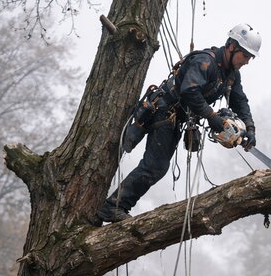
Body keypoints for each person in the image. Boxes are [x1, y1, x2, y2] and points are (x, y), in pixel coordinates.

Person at [94, 23, 261, 224]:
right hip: (163, 110)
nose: (247, 61)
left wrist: (249, 127)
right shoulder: (204, 61)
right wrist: (212, 117)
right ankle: (113, 207)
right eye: (245, 55)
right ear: (232, 46)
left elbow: (239, 100)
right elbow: (189, 91)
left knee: (157, 167)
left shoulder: (231, 75)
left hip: (176, 118)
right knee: (155, 166)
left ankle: (111, 208)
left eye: (250, 57)